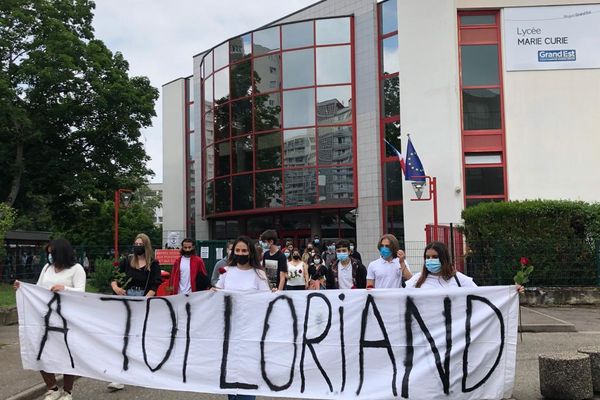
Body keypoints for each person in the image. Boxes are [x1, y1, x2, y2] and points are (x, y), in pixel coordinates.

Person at [14, 238, 85, 400]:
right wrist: (23, 287)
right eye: (48, 253)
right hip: (45, 318)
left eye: (52, 253)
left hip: (67, 319)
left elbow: (82, 292)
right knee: (41, 351)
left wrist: (65, 288)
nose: (50, 256)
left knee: (67, 353)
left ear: (61, 253)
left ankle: (67, 392)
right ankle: (52, 388)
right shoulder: (47, 268)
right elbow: (39, 288)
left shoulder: (77, 269)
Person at [108, 233, 161, 391]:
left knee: (140, 337)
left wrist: (145, 299)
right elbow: (114, 277)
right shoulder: (127, 261)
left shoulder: (153, 264)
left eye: (140, 243)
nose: (137, 246)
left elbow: (155, 284)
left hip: (143, 301)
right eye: (135, 243)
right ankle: (119, 375)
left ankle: (142, 371)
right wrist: (116, 287)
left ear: (146, 246)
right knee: (123, 337)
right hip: (125, 299)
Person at [405, 241, 476, 289]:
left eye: (435, 257)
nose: (430, 260)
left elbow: (478, 295)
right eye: (427, 257)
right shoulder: (417, 279)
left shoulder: (459, 279)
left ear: (444, 258)